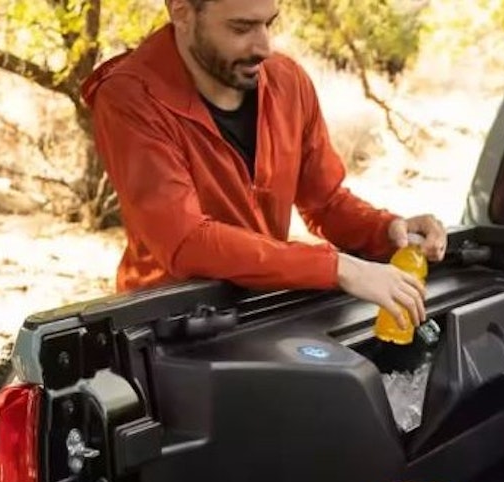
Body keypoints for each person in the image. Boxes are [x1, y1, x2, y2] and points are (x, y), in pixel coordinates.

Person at [79, 0, 447, 330]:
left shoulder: (289, 81)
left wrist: (387, 229)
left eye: (269, 23)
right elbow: (186, 242)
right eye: (241, 28)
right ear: (182, 13)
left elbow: (325, 202)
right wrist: (337, 267)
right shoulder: (129, 96)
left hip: (263, 312)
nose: (264, 47)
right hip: (169, 330)